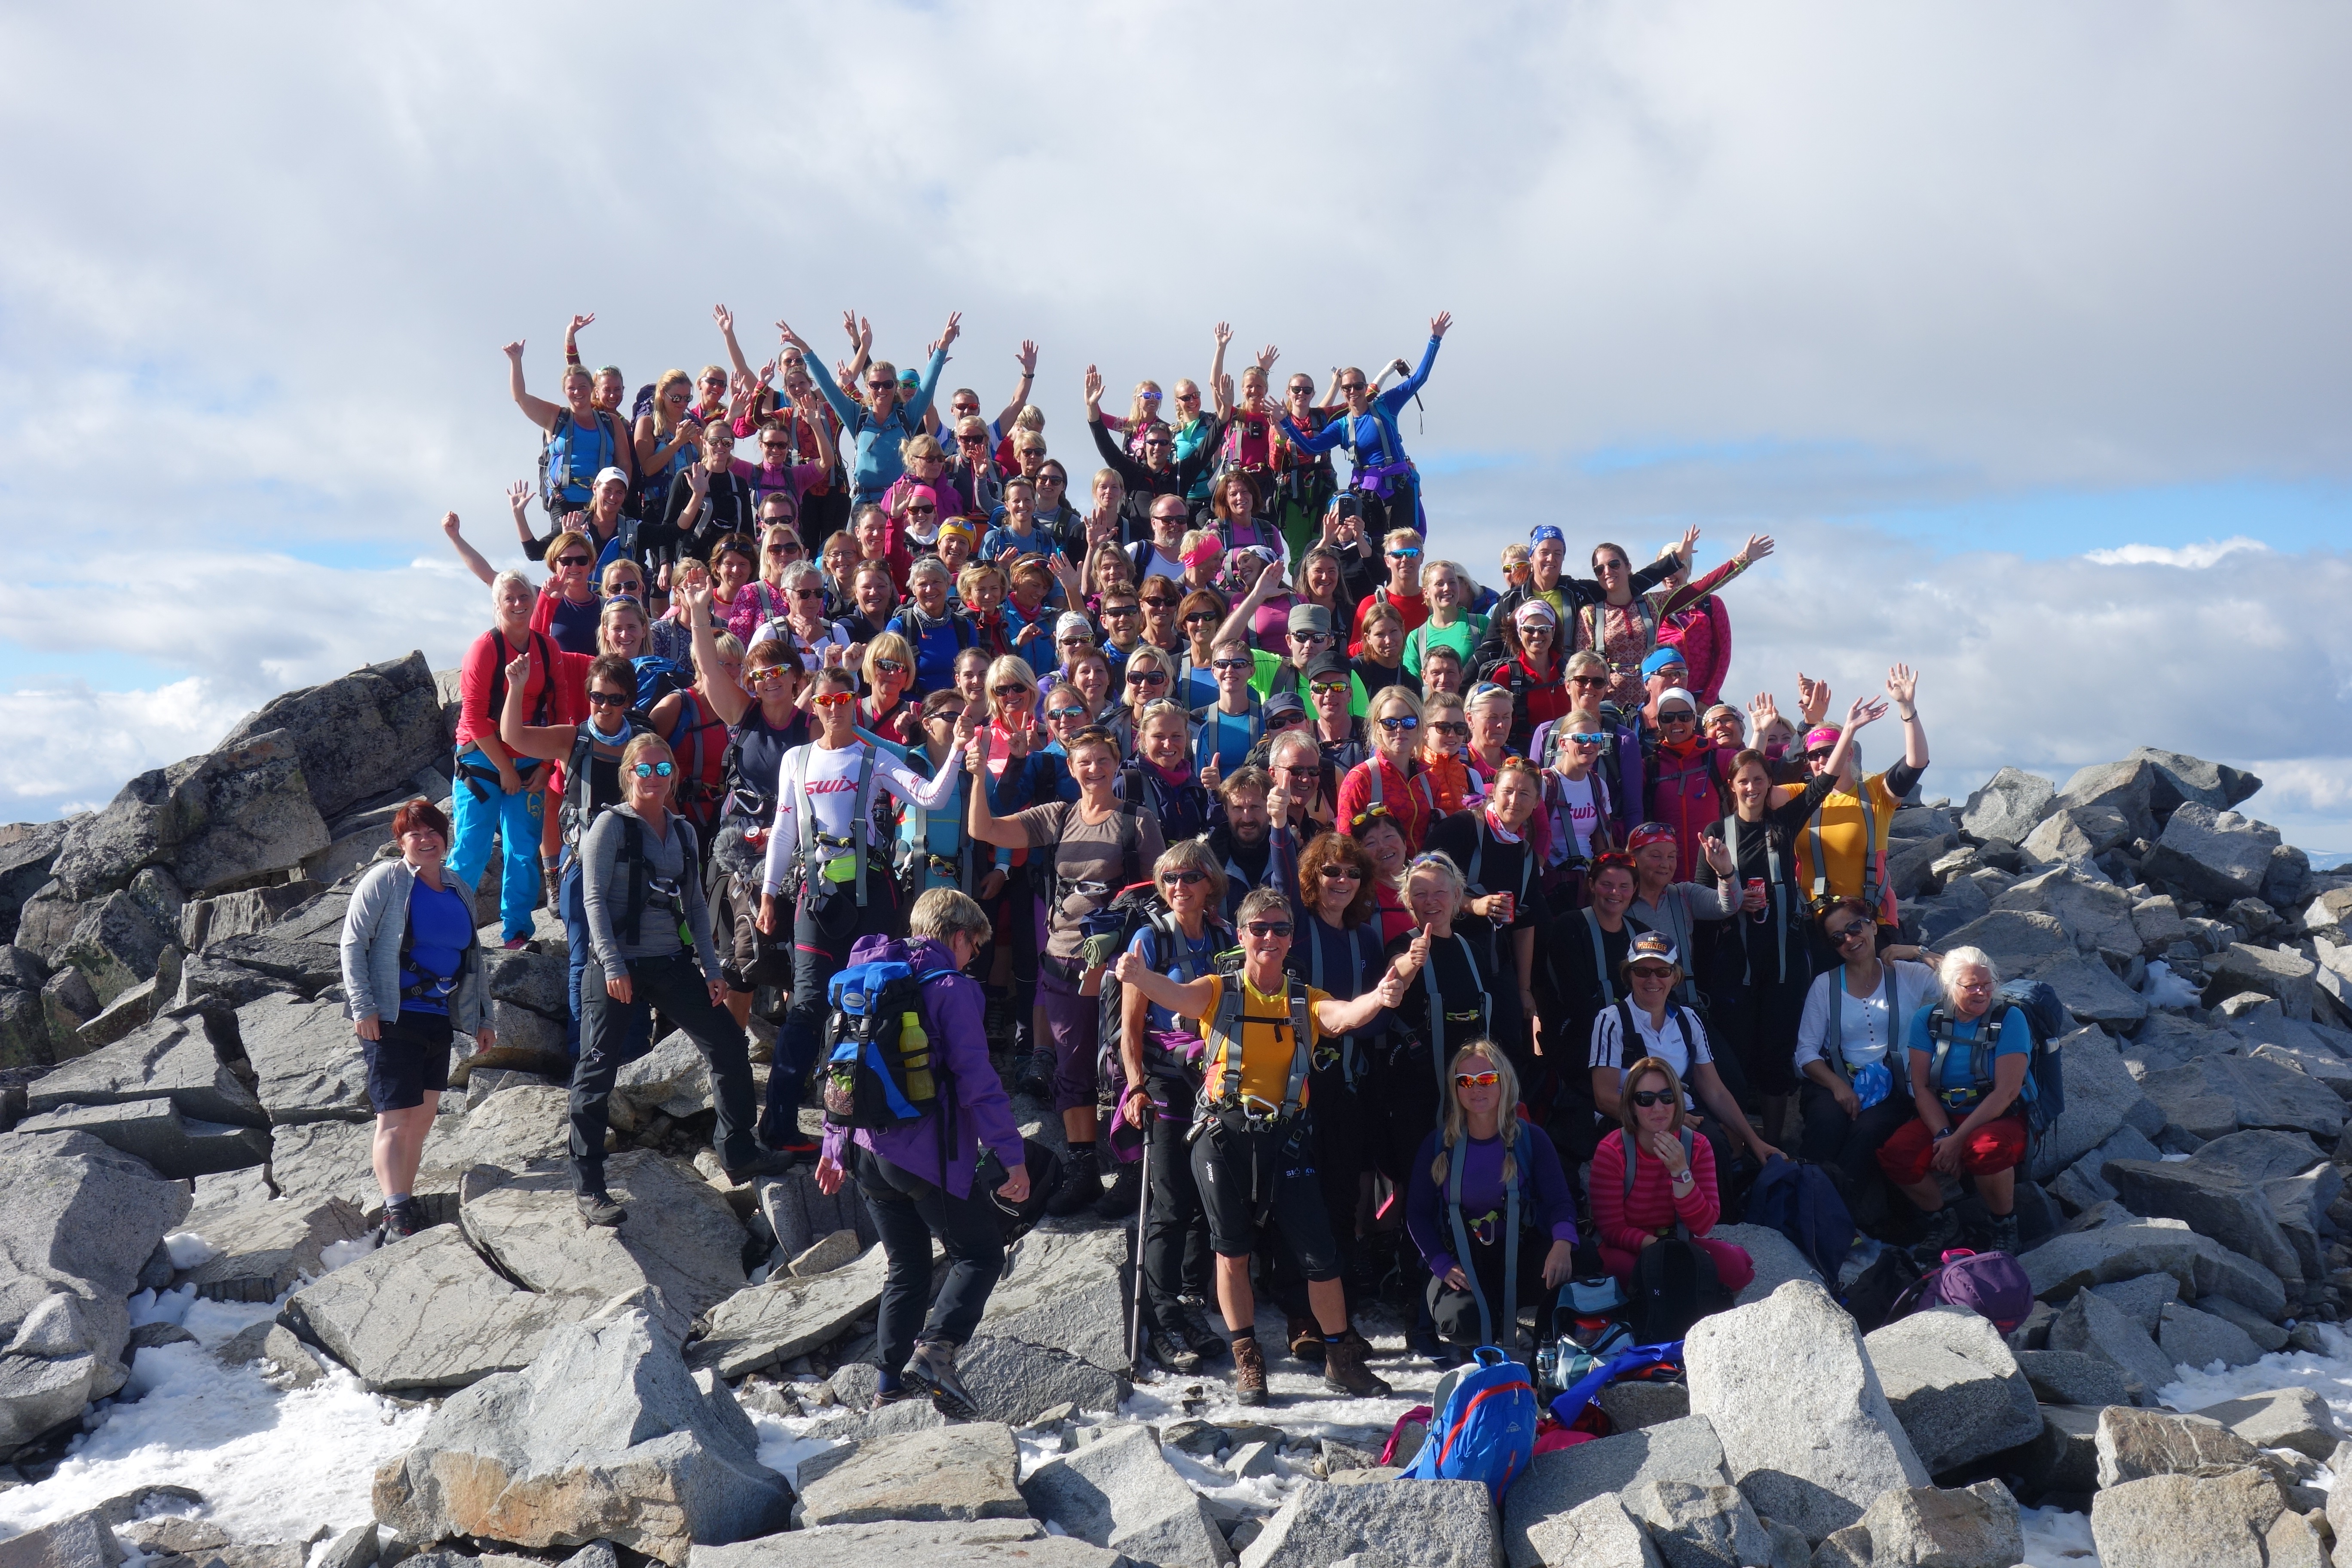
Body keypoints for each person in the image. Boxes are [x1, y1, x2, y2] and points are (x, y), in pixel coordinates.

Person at [1113, 888, 1408, 1402]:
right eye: (1260, 929)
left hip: (1286, 1138)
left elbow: (1343, 1016)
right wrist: (1139, 978)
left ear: (1293, 938)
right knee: (1232, 1252)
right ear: (1243, 934)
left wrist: (1381, 997)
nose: (1270, 938)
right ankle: (1248, 1356)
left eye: (1281, 929)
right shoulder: (1217, 991)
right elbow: (1174, 996)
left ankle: (1340, 1356)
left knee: (1321, 1255)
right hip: (1223, 1137)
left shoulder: (1303, 999)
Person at [814, 889, 1028, 1414]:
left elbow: (844, 1062)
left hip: (864, 1150)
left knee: (906, 1265)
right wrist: (1011, 1154)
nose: (973, 956)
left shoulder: (869, 972)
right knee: (979, 1255)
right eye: (974, 946)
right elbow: (977, 1081)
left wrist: (832, 1144)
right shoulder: (950, 987)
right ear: (959, 936)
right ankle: (935, 1352)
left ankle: (887, 1389)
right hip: (923, 1154)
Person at [570, 733, 795, 1226]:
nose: (654, 778)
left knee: (728, 1046)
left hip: (670, 962)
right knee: (597, 1069)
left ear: (673, 774)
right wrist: (612, 966)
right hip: (616, 966)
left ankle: (738, 1152)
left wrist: (712, 971)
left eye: (662, 769)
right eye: (643, 770)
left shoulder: (684, 832)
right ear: (628, 774)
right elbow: (593, 903)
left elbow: (694, 904)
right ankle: (589, 1186)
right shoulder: (609, 826)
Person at [759, 667, 973, 1154]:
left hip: (873, 898)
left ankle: (869, 1121)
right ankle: (779, 1126)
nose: (834, 708)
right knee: (808, 1008)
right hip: (816, 899)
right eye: (826, 700)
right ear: (812, 705)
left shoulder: (874, 757)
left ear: (855, 701)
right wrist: (770, 895)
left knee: (873, 1004)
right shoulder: (796, 759)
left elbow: (929, 796)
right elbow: (784, 829)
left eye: (843, 698)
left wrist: (958, 750)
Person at [966, 723, 1168, 1217]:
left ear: (1116, 764)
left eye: (1103, 760)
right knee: (1073, 1067)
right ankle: (1083, 1169)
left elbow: (1160, 891)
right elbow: (984, 830)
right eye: (1084, 762)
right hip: (1063, 959)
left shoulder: (1137, 822)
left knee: (1126, 1063)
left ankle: (1133, 1169)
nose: (1094, 770)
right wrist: (976, 776)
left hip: (1120, 967)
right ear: (1071, 768)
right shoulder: (1056, 817)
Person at [1704, 703, 1877, 1144]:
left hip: (1784, 965)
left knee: (1778, 1055)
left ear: (1769, 785)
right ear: (1733, 786)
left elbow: (1820, 786)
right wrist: (1732, 898)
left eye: (1760, 781)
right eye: (1744, 782)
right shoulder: (1716, 834)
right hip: (1737, 967)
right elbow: (1701, 905)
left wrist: (1849, 730)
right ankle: (1741, 1143)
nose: (1753, 789)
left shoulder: (1782, 823)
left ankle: (1776, 1143)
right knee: (1737, 1055)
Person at [340, 799, 492, 1241]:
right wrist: (363, 1005)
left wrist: (483, 1016)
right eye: (414, 834)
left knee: (423, 1118)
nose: (426, 841)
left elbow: (474, 959)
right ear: (400, 841)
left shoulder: (458, 886)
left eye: (433, 833)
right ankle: (396, 1211)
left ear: (446, 838)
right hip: (391, 1015)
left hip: (437, 1016)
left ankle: (403, 1200)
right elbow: (353, 944)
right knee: (395, 1117)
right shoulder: (385, 880)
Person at [1112, 842, 1234, 1374]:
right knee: (1170, 1199)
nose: (1178, 887)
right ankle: (1162, 1318)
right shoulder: (1149, 940)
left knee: (1209, 1197)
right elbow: (1131, 1027)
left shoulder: (1228, 939)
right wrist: (1135, 1086)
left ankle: (1187, 1306)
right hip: (1165, 1081)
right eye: (1168, 879)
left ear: (1210, 883)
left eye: (1189, 877)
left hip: (1214, 1080)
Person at [1406, 1042, 1578, 1363]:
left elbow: (1560, 1201)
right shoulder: (1438, 1145)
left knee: (1580, 1267)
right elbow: (1416, 1215)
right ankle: (1490, 1324)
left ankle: (1527, 1329)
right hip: (1464, 1261)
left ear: (1504, 1082)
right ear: (1455, 1088)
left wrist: (1563, 1244)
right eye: (1466, 1081)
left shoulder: (1531, 1139)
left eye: (1486, 1079)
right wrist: (1441, 1264)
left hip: (1521, 1255)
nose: (1476, 1089)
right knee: (1461, 1321)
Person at [1879, 946, 2034, 1256]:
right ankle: (1943, 1222)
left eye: (1987, 984)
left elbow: (2007, 1092)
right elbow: (1921, 1088)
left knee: (1985, 1149)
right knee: (1897, 1154)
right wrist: (1944, 1136)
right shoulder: (1928, 1020)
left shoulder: (2011, 1019)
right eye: (1971, 986)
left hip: (1998, 1115)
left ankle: (2005, 1225)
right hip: (1945, 1113)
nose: (1982, 992)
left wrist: (1956, 1141)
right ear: (1950, 987)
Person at [1588, 932, 1781, 1177]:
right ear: (1629, 975)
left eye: (1662, 971)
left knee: (1716, 1146)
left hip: (1683, 1115)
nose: (1652, 980)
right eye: (1642, 971)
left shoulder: (1689, 1020)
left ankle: (1720, 1216)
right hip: (1629, 1118)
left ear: (1675, 976)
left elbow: (1716, 1092)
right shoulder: (1611, 1020)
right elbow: (1604, 1098)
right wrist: (1669, 1120)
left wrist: (1755, 1142)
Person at [1795, 898, 1945, 1192]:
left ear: (1873, 926)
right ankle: (1804, 1194)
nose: (1850, 939)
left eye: (1855, 927)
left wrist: (1918, 951)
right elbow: (1805, 1053)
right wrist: (1838, 1087)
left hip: (1895, 1086)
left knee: (1869, 1130)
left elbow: (1964, 979)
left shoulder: (1908, 974)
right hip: (1837, 1078)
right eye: (1838, 938)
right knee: (1827, 1120)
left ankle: (1839, 1206)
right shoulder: (1824, 986)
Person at [1588, 1057, 1756, 1295]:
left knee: (1736, 1266)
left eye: (1667, 1098)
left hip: (1681, 1241)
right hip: (1632, 1248)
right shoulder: (1612, 1151)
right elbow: (1612, 1230)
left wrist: (1681, 1173)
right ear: (1631, 1105)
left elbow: (1704, 1225)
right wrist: (1663, 1252)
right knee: (1619, 1269)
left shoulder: (1698, 1146)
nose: (1658, 1108)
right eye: (1646, 1100)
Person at [452, 573, 557, 948]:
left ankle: (516, 931)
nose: (517, 604)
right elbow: (473, 719)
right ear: (496, 605)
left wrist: (547, 767)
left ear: (533, 599)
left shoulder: (547, 649)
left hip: (529, 760)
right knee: (471, 847)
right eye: (509, 598)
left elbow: (556, 712)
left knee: (524, 849)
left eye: (523, 596)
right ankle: (448, 929)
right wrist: (505, 769)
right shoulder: (484, 649)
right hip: (482, 760)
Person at [1275, 314, 1451, 535]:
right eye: (1347, 388)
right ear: (1342, 391)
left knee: (1403, 545)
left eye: (1358, 386)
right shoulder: (1341, 426)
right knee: (1373, 548)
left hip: (1398, 488)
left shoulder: (1386, 406)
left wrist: (1435, 339)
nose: (1353, 392)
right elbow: (1312, 447)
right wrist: (1286, 422)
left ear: (1365, 387)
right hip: (1367, 493)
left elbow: (1419, 379)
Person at [1792, 665, 1932, 943]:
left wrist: (1907, 707)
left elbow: (1916, 763)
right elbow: (1751, 788)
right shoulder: (1798, 795)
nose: (1821, 761)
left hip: (1875, 923)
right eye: (1814, 755)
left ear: (1848, 753)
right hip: (1817, 924)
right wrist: (1807, 724)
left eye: (1829, 752)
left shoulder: (1876, 793)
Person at [1425, 757, 1544, 1068]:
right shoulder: (1462, 827)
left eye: (1524, 794)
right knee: (1456, 1048)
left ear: (1536, 803)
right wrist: (1471, 905)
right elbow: (1423, 880)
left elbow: (1525, 924)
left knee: (1507, 1049)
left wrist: (1524, 989)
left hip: (1495, 965)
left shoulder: (1526, 853)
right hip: (1448, 960)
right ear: (1494, 793)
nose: (1514, 801)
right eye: (1508, 791)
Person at [1573, 533, 1772, 711]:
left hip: (1652, 706)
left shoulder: (1653, 604)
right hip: (1608, 708)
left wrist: (1743, 560)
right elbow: (1580, 669)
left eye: (1614, 565)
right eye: (1600, 569)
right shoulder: (1590, 614)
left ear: (1628, 567)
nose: (1607, 571)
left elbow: (1703, 587)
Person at [783, 312, 961, 507]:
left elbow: (928, 384)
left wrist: (944, 345)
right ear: (867, 387)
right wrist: (804, 348)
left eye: (888, 384)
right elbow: (827, 386)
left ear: (895, 387)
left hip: (898, 501)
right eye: (875, 385)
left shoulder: (907, 416)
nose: (882, 390)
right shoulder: (857, 415)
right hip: (863, 504)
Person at [1085, 366, 1220, 540]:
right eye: (1152, 443)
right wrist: (1091, 405)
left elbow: (1206, 448)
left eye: (1164, 443)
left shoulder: (1178, 473)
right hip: (1136, 519)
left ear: (1170, 445)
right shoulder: (1130, 432)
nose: (1158, 447)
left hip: (1172, 540)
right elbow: (1105, 442)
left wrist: (1223, 411)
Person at [505, 337, 634, 520]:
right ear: (564, 391)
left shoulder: (611, 422)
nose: (577, 392)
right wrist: (516, 361)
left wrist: (621, 495)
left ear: (592, 389)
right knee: (564, 548)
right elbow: (520, 397)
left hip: (600, 506)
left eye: (582, 387)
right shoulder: (556, 417)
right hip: (563, 502)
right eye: (571, 388)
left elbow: (624, 464)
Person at [1403, 559, 1486, 680]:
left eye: (1452, 582)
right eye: (1439, 584)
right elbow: (1412, 687)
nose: (1447, 588)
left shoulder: (1481, 624)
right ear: (1426, 593)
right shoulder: (1417, 638)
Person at [1355, 529, 1428, 642]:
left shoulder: (1433, 602)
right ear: (1387, 561)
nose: (1405, 559)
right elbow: (1352, 649)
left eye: (1411, 553)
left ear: (1422, 557)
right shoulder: (1371, 604)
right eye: (1397, 555)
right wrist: (1376, 643)